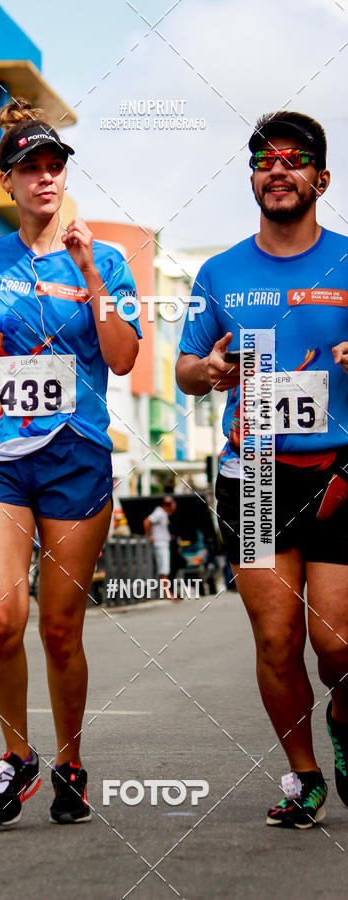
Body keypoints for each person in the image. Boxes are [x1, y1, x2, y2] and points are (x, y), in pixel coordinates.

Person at [0, 98, 142, 826]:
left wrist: (91, 271)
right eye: (28, 167)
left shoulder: (107, 257)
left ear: (64, 175)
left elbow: (124, 358)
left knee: (61, 628)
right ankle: (18, 756)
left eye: (54, 165)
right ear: (5, 183)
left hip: (75, 454)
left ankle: (69, 759)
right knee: (1, 615)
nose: (43, 177)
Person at [176, 110, 348, 829]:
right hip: (253, 477)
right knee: (277, 638)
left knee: (337, 648)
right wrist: (207, 367)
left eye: (293, 158)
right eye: (262, 159)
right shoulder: (220, 272)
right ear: (252, 177)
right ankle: (303, 775)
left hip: (341, 472)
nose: (277, 169)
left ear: (321, 176)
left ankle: (344, 722)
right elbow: (184, 367)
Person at [143, 496, 176, 598]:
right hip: (160, 544)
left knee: (164, 569)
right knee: (164, 569)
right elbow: (147, 521)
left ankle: (165, 592)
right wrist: (149, 535)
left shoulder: (163, 514)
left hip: (163, 542)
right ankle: (166, 593)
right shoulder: (159, 513)